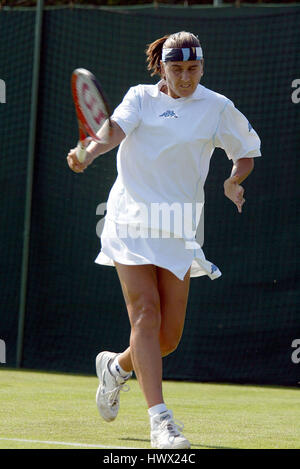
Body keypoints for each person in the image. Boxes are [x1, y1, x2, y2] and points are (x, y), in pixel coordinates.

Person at [67, 31, 261, 449]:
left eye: (193, 69)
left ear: (203, 67)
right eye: (177, 69)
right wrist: (88, 151)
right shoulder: (139, 98)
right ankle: (161, 421)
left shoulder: (216, 107)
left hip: (179, 225)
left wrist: (233, 180)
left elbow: (243, 152)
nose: (186, 77)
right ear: (162, 68)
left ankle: (116, 368)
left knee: (166, 338)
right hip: (131, 219)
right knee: (145, 316)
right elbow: (112, 131)